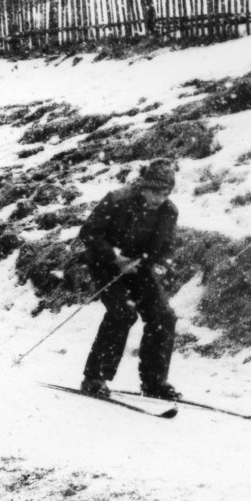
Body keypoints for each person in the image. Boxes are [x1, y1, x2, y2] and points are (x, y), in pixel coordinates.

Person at [79, 159, 181, 400]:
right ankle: (95, 377)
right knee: (123, 312)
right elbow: (89, 232)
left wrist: (160, 266)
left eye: (165, 193)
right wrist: (115, 258)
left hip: (140, 268)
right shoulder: (117, 199)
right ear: (144, 186)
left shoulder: (169, 211)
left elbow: (167, 247)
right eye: (154, 191)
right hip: (105, 265)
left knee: (163, 316)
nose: (159, 198)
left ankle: (154, 382)